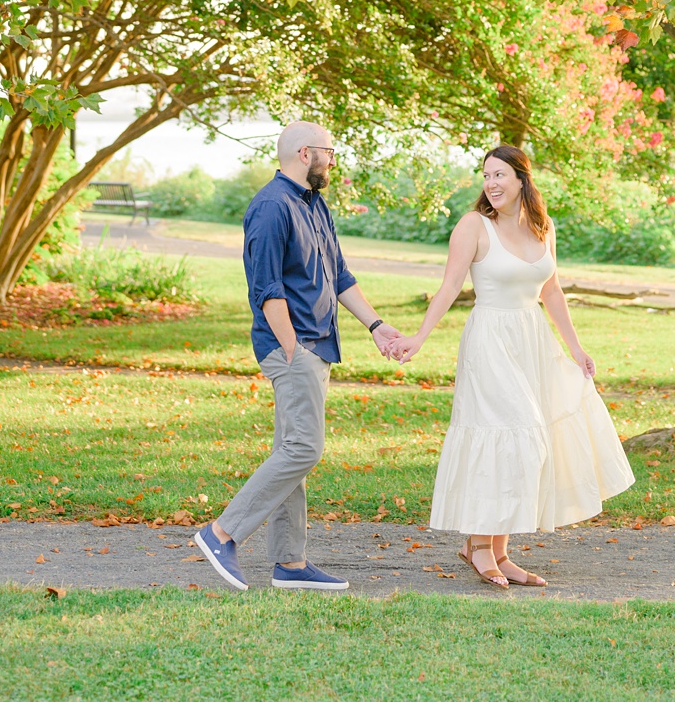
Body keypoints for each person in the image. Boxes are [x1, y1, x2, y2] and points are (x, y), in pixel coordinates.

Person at [396, 144, 635, 587]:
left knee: (529, 440)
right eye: (486, 175)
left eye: (500, 174)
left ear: (522, 180)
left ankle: (497, 550)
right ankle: (479, 546)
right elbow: (449, 287)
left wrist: (577, 348)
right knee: (510, 435)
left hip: (533, 341)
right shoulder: (474, 226)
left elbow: (553, 292)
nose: (491, 183)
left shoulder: (544, 229)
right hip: (490, 340)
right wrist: (418, 337)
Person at [192, 122, 412, 593]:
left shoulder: (314, 203)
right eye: (330, 152)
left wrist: (376, 327)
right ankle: (221, 533)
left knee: (291, 450)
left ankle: (289, 564)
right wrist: (291, 350)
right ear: (305, 152)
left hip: (317, 345)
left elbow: (339, 274)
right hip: (293, 348)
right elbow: (266, 288)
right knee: (304, 448)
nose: (333, 161)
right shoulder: (271, 207)